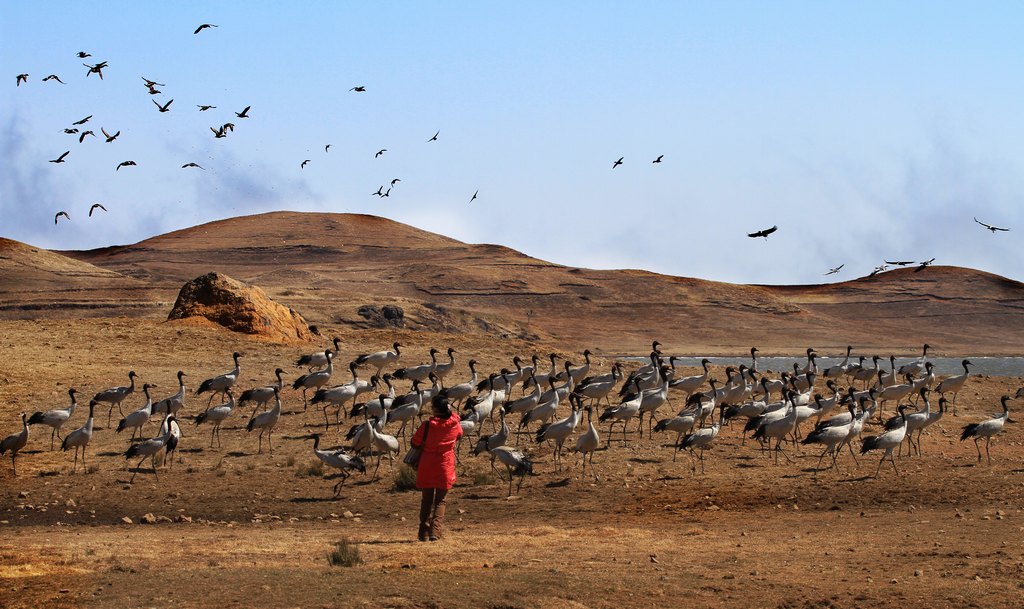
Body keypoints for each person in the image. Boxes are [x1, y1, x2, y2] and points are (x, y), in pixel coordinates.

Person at [410, 395, 463, 541]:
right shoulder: (455, 425)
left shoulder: (426, 426)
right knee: (440, 500)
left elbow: (415, 443)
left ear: (434, 409)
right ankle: (436, 531)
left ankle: (424, 532)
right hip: (444, 466)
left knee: (426, 499)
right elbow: (459, 435)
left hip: (427, 466)